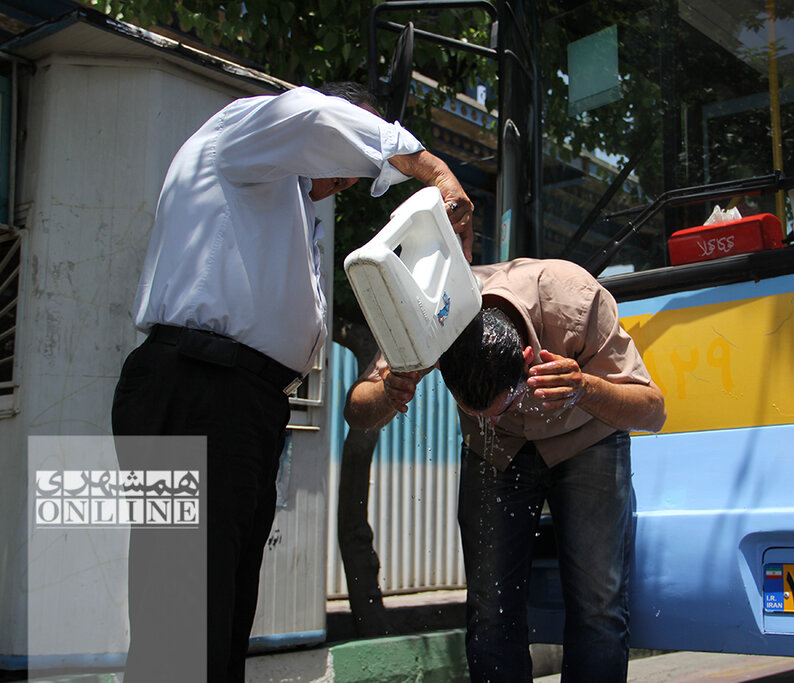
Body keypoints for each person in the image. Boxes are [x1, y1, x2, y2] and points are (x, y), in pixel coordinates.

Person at [111, 81, 474, 682]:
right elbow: (315, 118)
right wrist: (434, 170)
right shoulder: (245, 129)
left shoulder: (286, 205)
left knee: (219, 619)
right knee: (182, 622)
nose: (347, 180)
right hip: (198, 388)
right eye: (348, 160)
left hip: (240, 405)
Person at [345, 257, 666, 683]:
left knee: (598, 605)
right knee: (490, 608)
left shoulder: (577, 299)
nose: (493, 422)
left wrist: (586, 388)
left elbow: (653, 411)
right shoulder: (438, 312)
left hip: (588, 442)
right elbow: (357, 410)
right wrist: (388, 392)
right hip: (493, 458)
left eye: (503, 408)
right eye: (479, 414)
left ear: (529, 358)